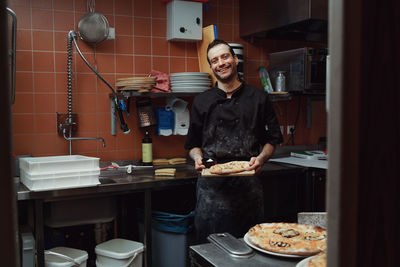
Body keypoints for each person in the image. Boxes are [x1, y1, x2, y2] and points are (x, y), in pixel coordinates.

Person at [184, 39, 283, 243]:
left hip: (247, 185)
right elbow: (193, 144)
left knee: (248, 248)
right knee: (209, 249)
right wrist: (197, 158)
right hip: (211, 188)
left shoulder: (258, 98)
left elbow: (272, 139)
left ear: (235, 59)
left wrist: (261, 159)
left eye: (225, 56)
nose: (221, 63)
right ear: (211, 67)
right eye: (214, 60)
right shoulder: (202, 101)